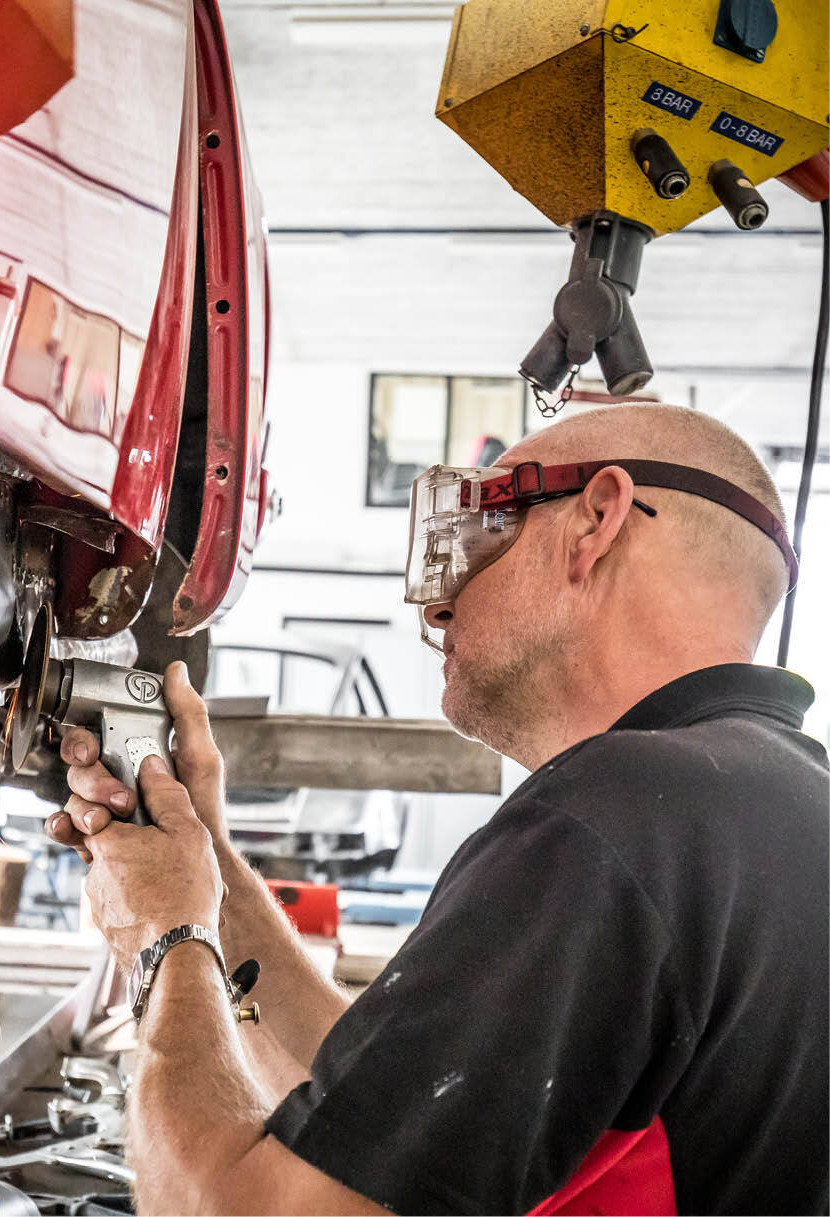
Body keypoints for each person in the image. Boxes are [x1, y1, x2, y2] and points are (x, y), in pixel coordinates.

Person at [44, 403, 829, 1215]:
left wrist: (164, 936)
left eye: (480, 527)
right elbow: (393, 1119)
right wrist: (210, 875)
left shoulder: (610, 818)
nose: (437, 606)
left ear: (596, 519)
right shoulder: (772, 803)